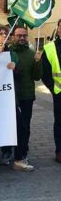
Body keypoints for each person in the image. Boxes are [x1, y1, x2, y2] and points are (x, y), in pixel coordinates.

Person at [0, 26, 32, 174]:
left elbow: (18, 78)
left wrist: (14, 69)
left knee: (21, 128)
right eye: (0, 34)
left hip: (10, 100)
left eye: (5, 33)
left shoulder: (12, 55)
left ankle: (18, 160)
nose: (4, 35)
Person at [11, 26, 42, 167]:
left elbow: (37, 77)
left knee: (25, 126)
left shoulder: (31, 53)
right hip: (10, 96)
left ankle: (22, 152)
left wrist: (37, 62)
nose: (22, 38)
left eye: (24, 35)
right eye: (19, 35)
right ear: (13, 36)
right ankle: (9, 151)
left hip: (27, 95)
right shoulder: (8, 52)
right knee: (12, 126)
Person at [42, 19, 61, 163]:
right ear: (58, 29)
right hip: (59, 93)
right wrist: (52, 89)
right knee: (59, 123)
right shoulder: (49, 48)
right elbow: (45, 73)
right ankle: (59, 151)